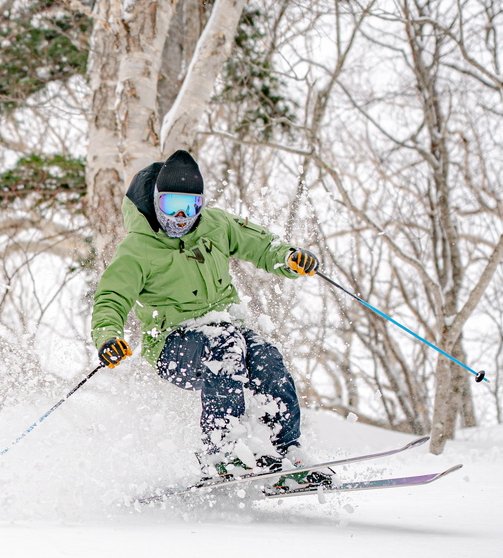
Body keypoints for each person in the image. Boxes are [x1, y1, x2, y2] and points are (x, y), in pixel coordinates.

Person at [89, 149, 330, 489]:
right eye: (172, 206)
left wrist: (288, 258)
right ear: (157, 202)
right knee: (226, 343)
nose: (182, 216)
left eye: (191, 206)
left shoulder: (215, 226)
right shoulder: (137, 249)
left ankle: (286, 450)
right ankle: (222, 451)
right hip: (173, 348)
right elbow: (111, 298)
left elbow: (260, 245)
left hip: (226, 329)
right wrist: (108, 337)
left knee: (265, 355)